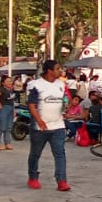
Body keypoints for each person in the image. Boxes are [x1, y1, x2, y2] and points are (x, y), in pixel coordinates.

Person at [27, 60, 70, 191]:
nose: (60, 71)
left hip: (58, 125)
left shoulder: (61, 84)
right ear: (49, 71)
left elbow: (64, 99)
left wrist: (65, 107)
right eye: (57, 69)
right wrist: (39, 120)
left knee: (60, 153)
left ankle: (62, 180)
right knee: (35, 153)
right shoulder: (36, 85)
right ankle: (33, 176)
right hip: (40, 127)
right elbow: (31, 105)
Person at [0, 74, 17, 150]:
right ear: (3, 83)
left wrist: (14, 110)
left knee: (8, 128)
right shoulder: (2, 89)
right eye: (8, 81)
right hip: (3, 109)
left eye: (10, 81)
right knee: (1, 127)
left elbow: (12, 101)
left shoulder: (11, 90)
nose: (10, 83)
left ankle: (7, 143)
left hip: (11, 109)